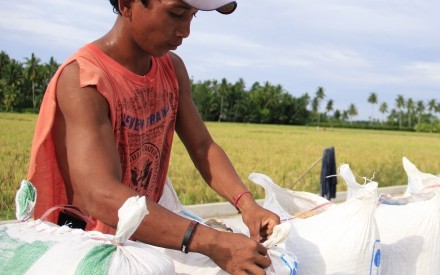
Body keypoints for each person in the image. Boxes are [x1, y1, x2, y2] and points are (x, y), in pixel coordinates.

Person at [25, 0, 280, 274]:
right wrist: (213, 241)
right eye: (176, 13)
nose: (185, 31)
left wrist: (247, 204)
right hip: (90, 246)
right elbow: (99, 194)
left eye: (192, 16)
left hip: (143, 234)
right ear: (126, 4)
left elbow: (202, 147)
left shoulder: (171, 69)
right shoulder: (85, 79)